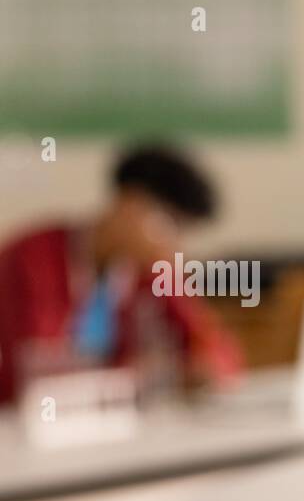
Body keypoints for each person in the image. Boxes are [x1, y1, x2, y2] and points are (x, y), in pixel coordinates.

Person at [0, 144, 243, 406]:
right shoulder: (32, 257)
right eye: (171, 224)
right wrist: (139, 376)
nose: (173, 245)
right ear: (130, 204)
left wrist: (206, 368)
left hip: (113, 426)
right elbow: (37, 369)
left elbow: (216, 351)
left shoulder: (152, 271)